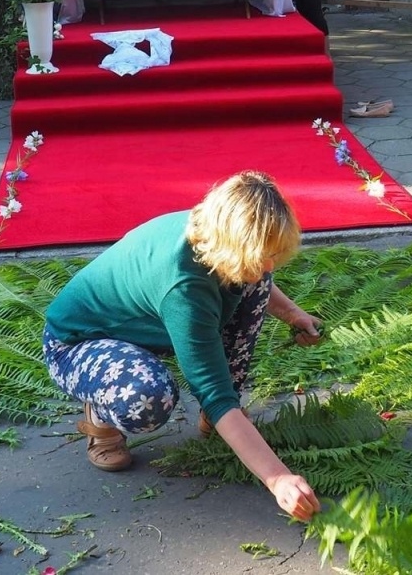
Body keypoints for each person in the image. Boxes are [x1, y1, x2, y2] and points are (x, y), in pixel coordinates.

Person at [42, 171, 324, 521]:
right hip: (76, 346)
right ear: (234, 242)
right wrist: (278, 478)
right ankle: (101, 418)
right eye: (261, 256)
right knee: (146, 398)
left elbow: (257, 275)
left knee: (254, 283)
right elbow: (213, 391)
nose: (269, 265)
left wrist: (294, 314)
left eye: (273, 254)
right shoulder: (184, 290)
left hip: (143, 327)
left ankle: (225, 423)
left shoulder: (214, 231)